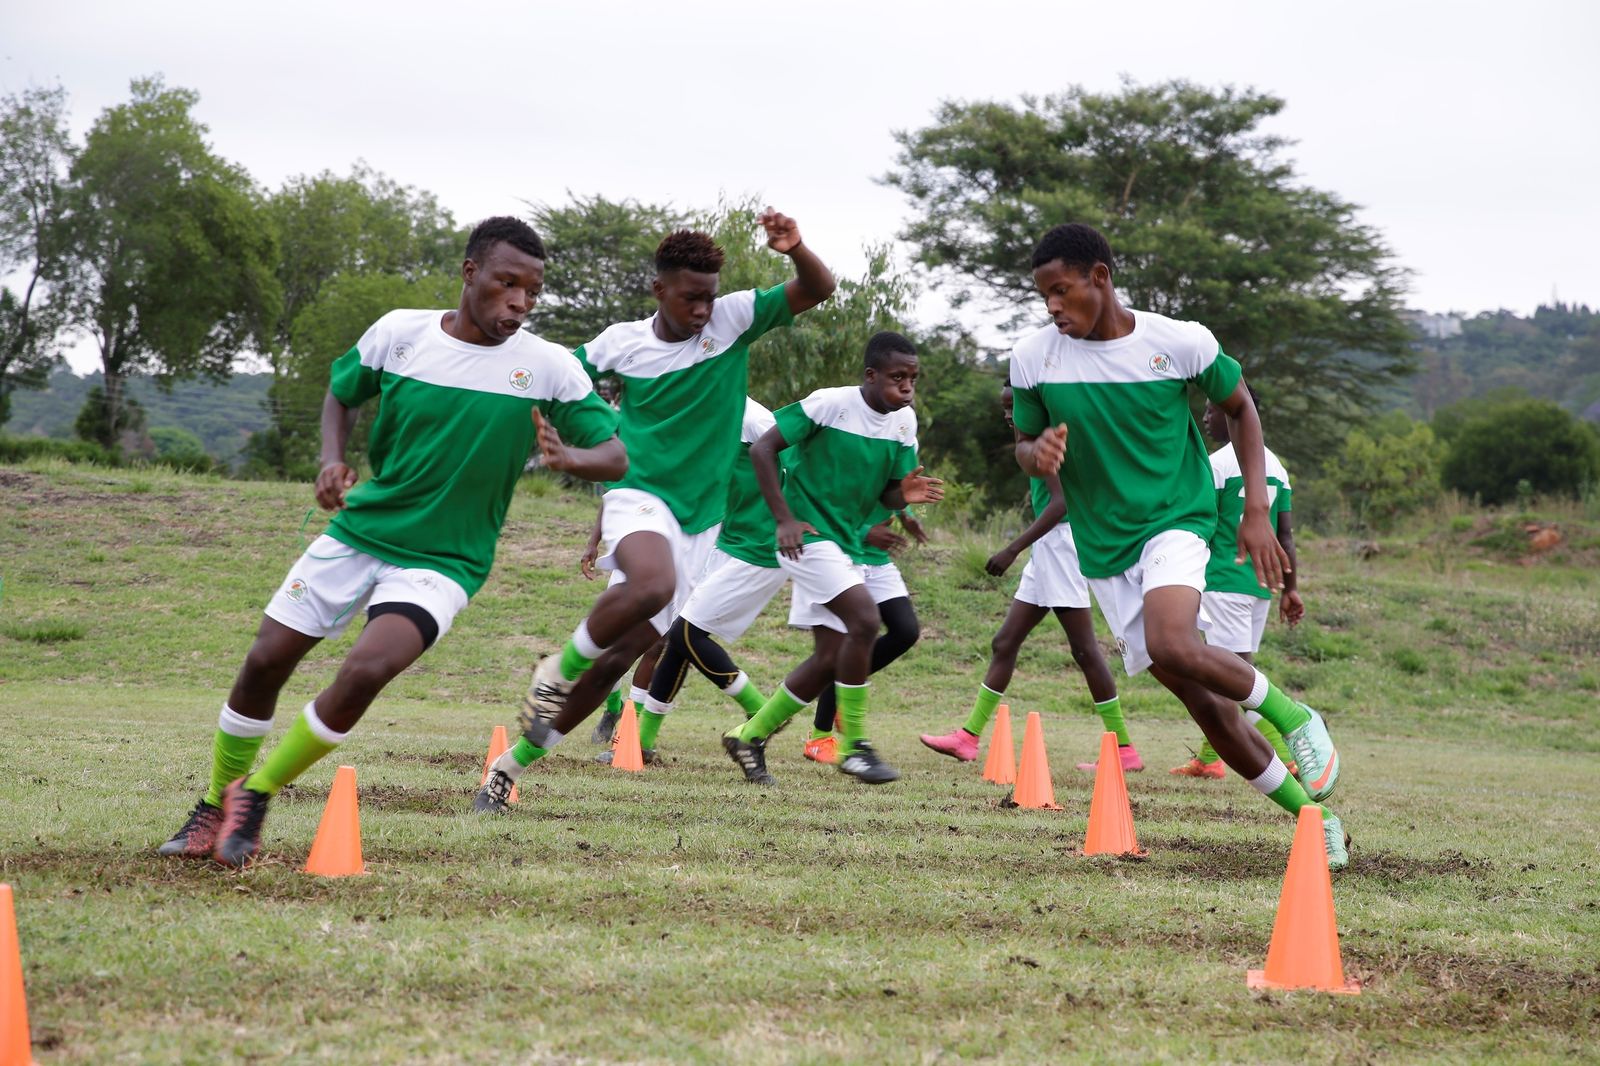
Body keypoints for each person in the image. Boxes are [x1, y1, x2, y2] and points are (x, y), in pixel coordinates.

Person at [157, 217, 626, 866]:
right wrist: (330, 458)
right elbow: (342, 393)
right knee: (265, 660)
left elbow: (617, 452)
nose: (519, 302)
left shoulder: (548, 367)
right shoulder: (398, 333)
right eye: (506, 283)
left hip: (445, 558)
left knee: (369, 668)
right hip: (361, 529)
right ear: (470, 274)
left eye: (532, 292)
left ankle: (258, 795)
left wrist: (571, 457)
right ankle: (215, 802)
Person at [1009, 222, 1348, 869]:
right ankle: (1316, 817)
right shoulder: (1033, 357)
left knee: (1173, 642)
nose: (1051, 306)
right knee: (1210, 710)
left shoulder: (1180, 342)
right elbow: (1023, 445)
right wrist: (1038, 453)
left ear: (1100, 279)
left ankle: (1297, 717)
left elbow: (1242, 408)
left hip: (1177, 520)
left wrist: (1254, 508)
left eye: (1061, 290)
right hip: (1105, 550)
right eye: (1043, 295)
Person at [475, 212, 835, 811]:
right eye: (690, 298)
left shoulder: (733, 319)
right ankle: (552, 670)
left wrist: (796, 248)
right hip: (639, 493)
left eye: (709, 298)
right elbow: (557, 382)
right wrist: (555, 443)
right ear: (658, 290)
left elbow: (818, 289)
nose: (702, 311)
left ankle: (509, 768)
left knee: (617, 658)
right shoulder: (622, 343)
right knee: (651, 582)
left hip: (701, 521)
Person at [721, 331, 943, 786]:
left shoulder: (904, 424)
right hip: (808, 536)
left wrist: (902, 497)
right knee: (864, 621)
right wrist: (783, 519)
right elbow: (764, 449)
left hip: (850, 544)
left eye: (913, 379)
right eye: (897, 377)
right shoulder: (829, 404)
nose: (907, 388)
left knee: (830, 656)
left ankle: (751, 734)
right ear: (870, 375)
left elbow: (885, 492)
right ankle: (855, 746)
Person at [920, 380, 1127, 769]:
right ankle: (968, 738)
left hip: (1062, 546)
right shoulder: (1031, 445)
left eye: (1013, 406)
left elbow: (1061, 504)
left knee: (1085, 650)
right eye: (1004, 408)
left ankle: (1124, 750)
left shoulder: (1046, 446)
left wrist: (1012, 548)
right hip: (1049, 550)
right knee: (1004, 642)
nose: (1008, 416)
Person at [615, 397, 791, 763]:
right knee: (681, 637)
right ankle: (643, 744)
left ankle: (761, 709)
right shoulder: (698, 411)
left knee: (682, 633)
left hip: (759, 544)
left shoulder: (756, 419)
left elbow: (800, 466)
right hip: (727, 539)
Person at [1171, 390, 1302, 778]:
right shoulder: (1274, 466)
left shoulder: (1216, 465)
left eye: (1212, 411)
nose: (1207, 419)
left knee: (1234, 679)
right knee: (1235, 673)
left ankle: (1286, 755)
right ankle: (1211, 760)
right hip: (1262, 584)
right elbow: (1287, 535)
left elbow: (1200, 525)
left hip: (1224, 581)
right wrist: (1291, 588)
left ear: (1232, 415)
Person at [802, 511, 924, 765]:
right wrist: (864, 530)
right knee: (836, 649)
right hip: (840, 557)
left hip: (877, 561)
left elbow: (890, 483)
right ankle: (819, 738)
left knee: (906, 631)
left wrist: (906, 513)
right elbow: (820, 511)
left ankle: (848, 683)